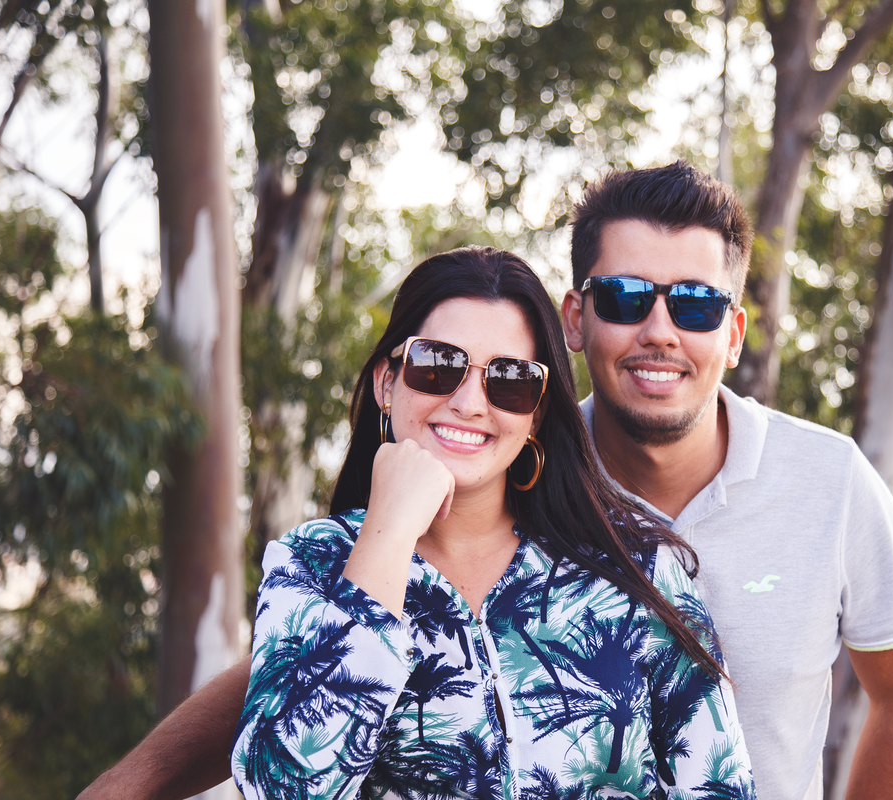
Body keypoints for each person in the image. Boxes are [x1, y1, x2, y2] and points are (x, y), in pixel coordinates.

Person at [79, 162, 893, 800]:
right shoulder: (318, 563)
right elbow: (285, 733)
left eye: (696, 305)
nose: (661, 331)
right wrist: (133, 782)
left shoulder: (711, 533)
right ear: (578, 318)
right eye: (628, 296)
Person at [230, 245, 753, 799]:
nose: (471, 403)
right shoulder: (310, 565)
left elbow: (722, 784)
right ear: (388, 381)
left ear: (537, 411)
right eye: (438, 366)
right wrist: (387, 534)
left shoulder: (634, 566)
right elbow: (280, 787)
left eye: (510, 380)